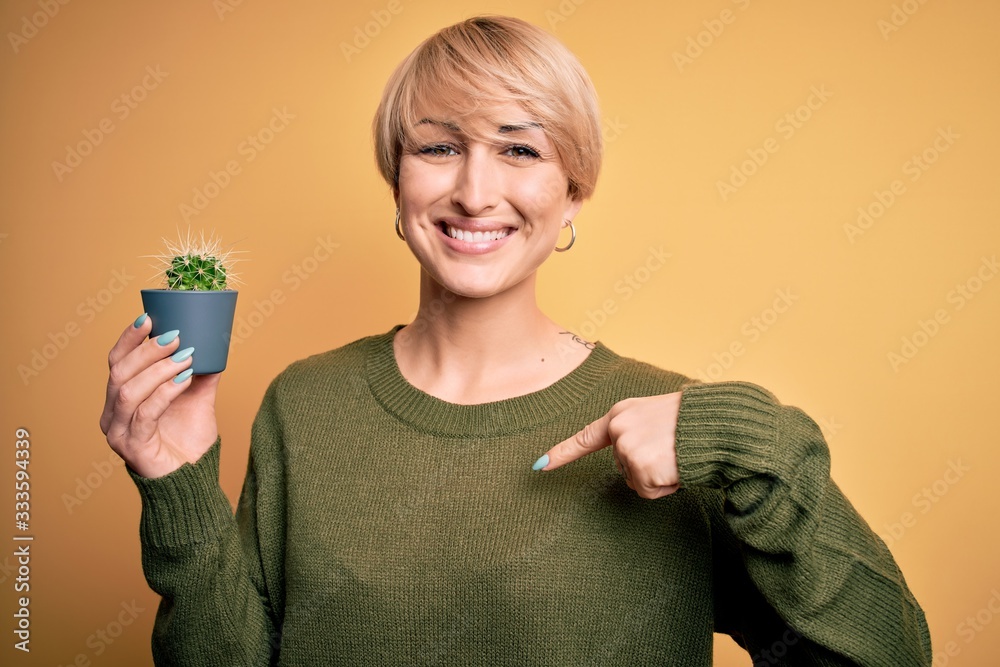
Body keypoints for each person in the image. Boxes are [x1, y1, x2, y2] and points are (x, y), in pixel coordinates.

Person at [100, 15, 931, 666]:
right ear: (398, 180)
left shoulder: (672, 436)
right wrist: (176, 482)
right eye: (438, 147)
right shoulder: (304, 403)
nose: (473, 189)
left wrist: (753, 440)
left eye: (519, 149)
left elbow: (882, 656)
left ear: (572, 193)